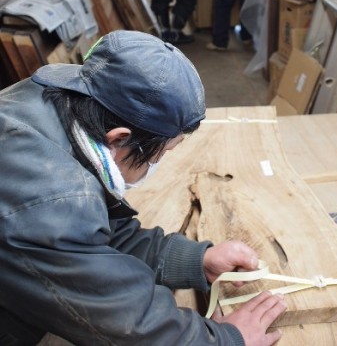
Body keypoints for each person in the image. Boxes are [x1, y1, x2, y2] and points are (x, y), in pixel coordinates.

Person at [0, 30, 287, 345]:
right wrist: (227, 339)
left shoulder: (63, 104)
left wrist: (195, 260)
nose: (160, 161)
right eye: (163, 152)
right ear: (120, 139)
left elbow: (97, 238)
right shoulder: (50, 200)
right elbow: (124, 321)